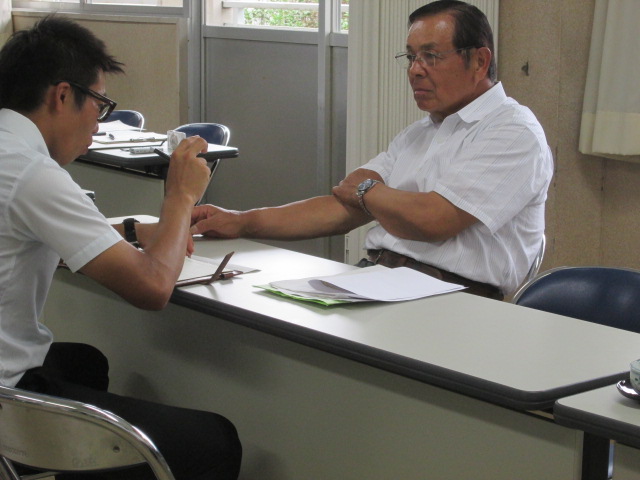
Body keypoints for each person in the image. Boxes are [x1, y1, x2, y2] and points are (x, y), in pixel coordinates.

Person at [0, 16, 241, 480]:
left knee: (85, 363)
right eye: (100, 104)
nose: (99, 121)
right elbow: (152, 287)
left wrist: (130, 229)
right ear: (62, 95)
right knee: (213, 441)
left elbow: (28, 234)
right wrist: (180, 196)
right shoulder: (33, 172)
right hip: (6, 395)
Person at [190, 0, 553, 300]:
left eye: (430, 56)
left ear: (479, 61)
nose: (415, 71)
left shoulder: (512, 131)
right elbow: (342, 206)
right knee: (268, 305)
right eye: (410, 57)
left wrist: (369, 192)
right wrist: (242, 220)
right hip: (379, 278)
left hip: (454, 299)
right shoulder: (421, 133)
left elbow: (434, 220)